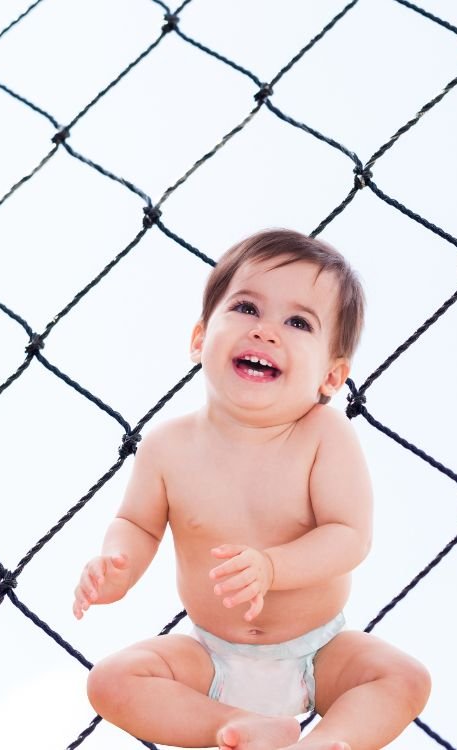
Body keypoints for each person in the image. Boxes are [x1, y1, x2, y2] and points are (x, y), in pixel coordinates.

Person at [73, 229, 430, 750]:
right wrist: (116, 565)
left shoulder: (323, 434)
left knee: (403, 678)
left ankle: (329, 742)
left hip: (319, 652)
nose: (265, 331)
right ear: (200, 339)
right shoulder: (168, 445)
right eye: (246, 308)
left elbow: (349, 535)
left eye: (298, 322)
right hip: (209, 657)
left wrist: (271, 568)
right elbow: (137, 524)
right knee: (111, 681)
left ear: (332, 376)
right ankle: (235, 727)